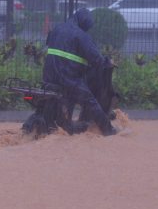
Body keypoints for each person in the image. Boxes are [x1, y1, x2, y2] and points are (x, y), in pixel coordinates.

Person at [43, 8, 117, 136]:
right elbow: (96, 58)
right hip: (67, 78)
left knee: (68, 98)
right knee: (90, 101)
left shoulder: (57, 29)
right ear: (84, 23)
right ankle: (108, 130)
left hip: (48, 77)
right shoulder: (81, 35)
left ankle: (64, 125)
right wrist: (108, 62)